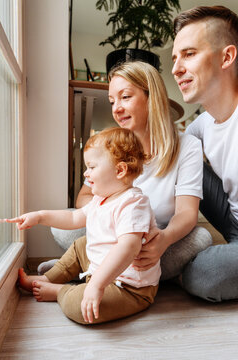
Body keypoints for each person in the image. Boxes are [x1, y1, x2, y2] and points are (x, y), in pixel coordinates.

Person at [71, 60, 212, 282]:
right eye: (112, 101)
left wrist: (164, 239)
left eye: (125, 97)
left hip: (154, 239)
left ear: (151, 98)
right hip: (114, 235)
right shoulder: (110, 146)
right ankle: (114, 273)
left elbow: (186, 212)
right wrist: (116, 212)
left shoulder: (188, 146)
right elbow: (84, 198)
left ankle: (86, 269)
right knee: (64, 228)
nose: (116, 108)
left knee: (201, 238)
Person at [4, 127, 161, 325]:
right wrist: (40, 216)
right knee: (81, 244)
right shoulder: (101, 199)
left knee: (80, 307)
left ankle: (61, 291)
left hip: (129, 288)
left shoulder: (133, 203)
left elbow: (128, 248)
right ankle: (49, 278)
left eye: (92, 166)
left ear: (120, 170)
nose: (86, 173)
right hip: (100, 272)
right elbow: (73, 219)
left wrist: (96, 285)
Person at [172, 5, 238, 302]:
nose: (175, 69)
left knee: (204, 276)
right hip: (232, 220)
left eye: (189, 54)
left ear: (227, 57)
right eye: (175, 58)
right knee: (178, 150)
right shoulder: (202, 124)